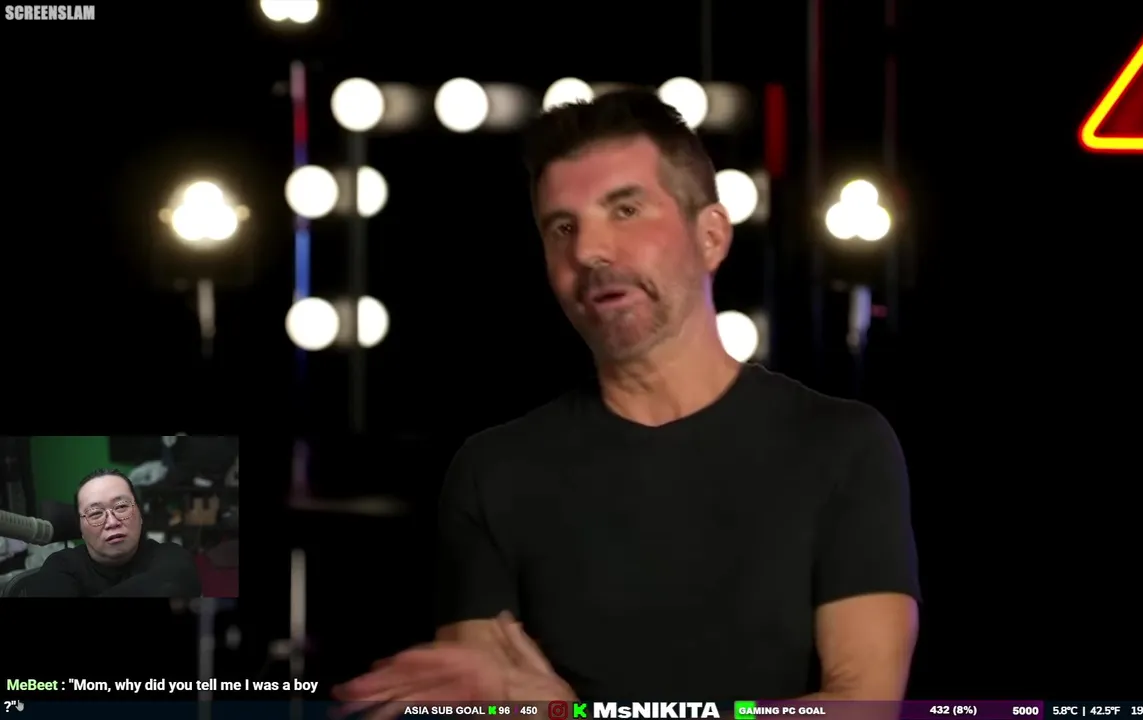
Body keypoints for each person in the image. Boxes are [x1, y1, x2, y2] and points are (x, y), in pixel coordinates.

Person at [337, 90, 920, 709]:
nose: (588, 250)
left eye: (625, 210)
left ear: (711, 236)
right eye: (563, 227)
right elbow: (492, 705)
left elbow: (863, 704)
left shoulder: (840, 446)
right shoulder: (493, 473)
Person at [21, 469, 202, 598]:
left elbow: (173, 585)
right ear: (80, 527)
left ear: (140, 515)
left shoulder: (171, 555)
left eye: (121, 507)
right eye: (95, 513)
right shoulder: (60, 566)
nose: (112, 522)